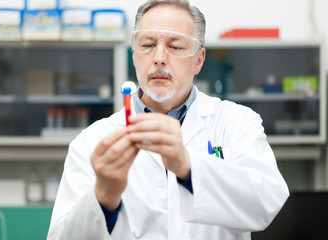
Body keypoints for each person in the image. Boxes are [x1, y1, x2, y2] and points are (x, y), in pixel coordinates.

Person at [47, 0, 289, 239]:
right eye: (148, 44)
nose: (159, 57)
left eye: (175, 46)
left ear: (199, 60)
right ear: (134, 55)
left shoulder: (237, 123)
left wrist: (187, 166)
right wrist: (103, 196)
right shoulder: (92, 141)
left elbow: (266, 202)